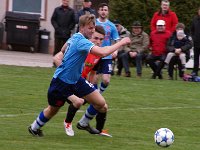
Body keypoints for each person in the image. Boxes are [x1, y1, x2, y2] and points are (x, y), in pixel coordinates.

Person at [28, 14, 131, 137]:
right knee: (53, 109)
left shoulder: (75, 37)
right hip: (61, 82)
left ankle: (83, 123)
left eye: (93, 28)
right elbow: (102, 52)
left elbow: (63, 49)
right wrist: (121, 42)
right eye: (90, 28)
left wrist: (70, 59)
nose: (92, 31)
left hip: (76, 80)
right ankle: (34, 127)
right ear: (82, 27)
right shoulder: (82, 41)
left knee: (100, 103)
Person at [53, 25, 106, 136]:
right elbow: (56, 58)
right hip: (68, 81)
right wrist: (67, 74)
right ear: (90, 35)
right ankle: (68, 122)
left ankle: (96, 131)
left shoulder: (97, 54)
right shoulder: (79, 46)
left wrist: (91, 87)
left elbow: (93, 72)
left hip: (81, 82)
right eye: (96, 38)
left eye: (101, 39)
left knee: (103, 106)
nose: (98, 42)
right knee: (55, 107)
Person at [77, 3, 120, 136]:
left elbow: (116, 39)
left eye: (105, 9)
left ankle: (87, 124)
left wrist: (116, 50)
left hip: (105, 56)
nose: (103, 11)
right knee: (95, 100)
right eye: (101, 9)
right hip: (90, 59)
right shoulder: (92, 26)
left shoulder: (111, 26)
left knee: (105, 81)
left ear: (108, 12)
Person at [191, 7, 200, 76]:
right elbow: (192, 30)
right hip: (196, 43)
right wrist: (193, 38)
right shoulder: (194, 19)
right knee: (196, 59)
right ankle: (195, 72)